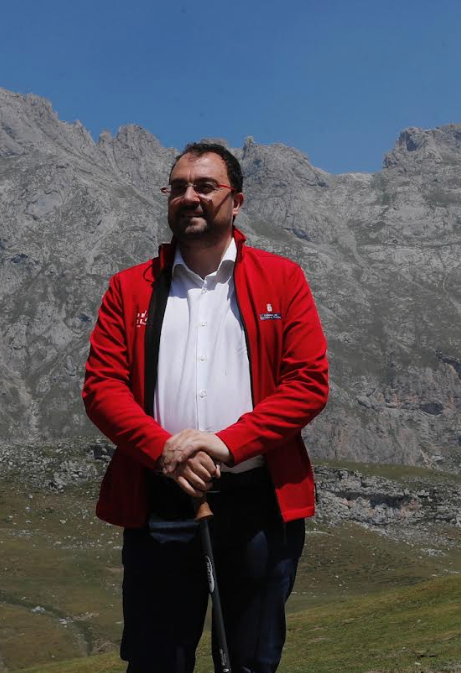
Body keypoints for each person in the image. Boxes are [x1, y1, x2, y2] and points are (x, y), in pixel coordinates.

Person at [83, 142, 330, 672]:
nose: (189, 197)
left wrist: (225, 443)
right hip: (160, 501)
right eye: (178, 187)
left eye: (204, 186)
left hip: (258, 504)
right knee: (155, 660)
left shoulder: (282, 279)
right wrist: (165, 451)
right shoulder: (129, 289)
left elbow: (308, 383)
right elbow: (102, 388)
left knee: (250, 660)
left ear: (235, 201)